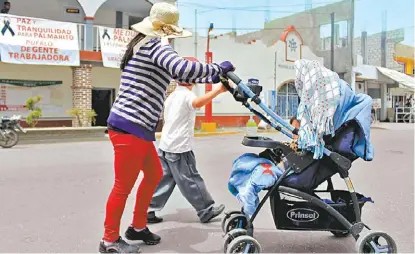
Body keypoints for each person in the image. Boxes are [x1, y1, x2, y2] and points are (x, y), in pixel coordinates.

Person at [99, 2, 235, 253]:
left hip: (137, 127)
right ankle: (109, 240)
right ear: (167, 30)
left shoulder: (146, 44)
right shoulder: (154, 44)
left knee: (154, 175)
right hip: (130, 126)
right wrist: (218, 69)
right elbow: (182, 69)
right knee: (122, 186)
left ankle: (137, 227)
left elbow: (181, 70)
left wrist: (211, 75)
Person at [147, 80, 228, 224]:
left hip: (166, 145)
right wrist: (218, 90)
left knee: (163, 180)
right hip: (179, 147)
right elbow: (197, 103)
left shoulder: (172, 95)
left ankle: (147, 210)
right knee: (190, 179)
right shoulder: (186, 95)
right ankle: (206, 210)